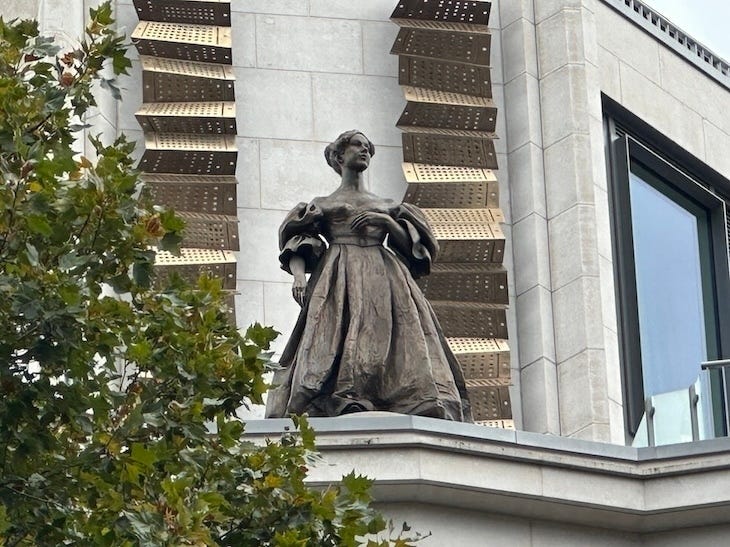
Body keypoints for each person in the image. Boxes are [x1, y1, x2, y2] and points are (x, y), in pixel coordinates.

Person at [265, 130, 472, 422]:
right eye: (356, 146)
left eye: (367, 148)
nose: (364, 151)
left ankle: (393, 395)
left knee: (386, 332)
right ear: (340, 156)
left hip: (383, 275)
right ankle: (345, 397)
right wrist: (299, 276)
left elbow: (414, 250)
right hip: (338, 274)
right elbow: (300, 242)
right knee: (338, 333)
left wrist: (385, 221)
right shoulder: (323, 203)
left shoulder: (387, 204)